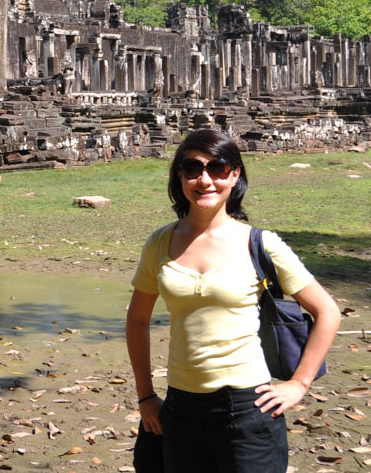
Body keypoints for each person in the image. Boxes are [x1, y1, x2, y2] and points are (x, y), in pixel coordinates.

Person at [126, 128, 340, 471]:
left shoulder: (260, 243)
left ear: (235, 174)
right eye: (193, 168)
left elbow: (327, 310)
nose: (204, 180)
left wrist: (299, 384)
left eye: (218, 168)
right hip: (181, 408)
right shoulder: (160, 243)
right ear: (180, 176)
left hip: (247, 409)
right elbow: (137, 319)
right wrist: (146, 396)